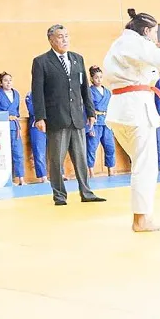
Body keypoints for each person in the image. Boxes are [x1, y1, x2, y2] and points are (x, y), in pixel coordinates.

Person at [103, 9, 160, 232]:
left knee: (140, 163)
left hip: (120, 109)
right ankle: (141, 219)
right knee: (144, 166)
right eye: (155, 32)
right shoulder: (137, 43)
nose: (156, 37)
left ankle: (143, 215)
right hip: (136, 109)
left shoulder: (118, 44)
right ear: (146, 31)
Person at [31, 24, 105, 205]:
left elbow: (84, 88)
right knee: (56, 160)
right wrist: (40, 117)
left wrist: (90, 111)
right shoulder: (41, 62)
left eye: (66, 36)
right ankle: (59, 195)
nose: (65, 39)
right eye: (60, 36)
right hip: (56, 118)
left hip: (77, 117)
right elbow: (37, 92)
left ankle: (86, 192)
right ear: (51, 40)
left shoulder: (77, 59)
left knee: (81, 158)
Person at [86, 65, 116, 177]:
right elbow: (87, 108)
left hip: (106, 122)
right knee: (92, 147)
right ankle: (91, 171)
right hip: (95, 122)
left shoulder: (107, 92)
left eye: (100, 77)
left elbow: (112, 107)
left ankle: (111, 170)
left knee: (110, 147)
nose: (99, 80)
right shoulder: (89, 91)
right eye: (96, 77)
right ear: (91, 78)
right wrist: (90, 127)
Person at [23, 91, 48, 183]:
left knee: (57, 150)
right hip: (37, 124)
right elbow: (32, 110)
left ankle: (61, 173)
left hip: (51, 124)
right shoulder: (30, 95)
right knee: (39, 151)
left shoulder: (51, 92)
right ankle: (43, 176)